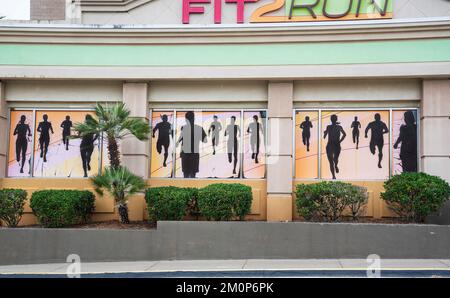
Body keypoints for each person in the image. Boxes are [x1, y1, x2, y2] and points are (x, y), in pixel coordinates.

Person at [176, 111, 207, 178]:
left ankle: (186, 187)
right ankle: (191, 187)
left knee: (186, 174)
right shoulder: (199, 128)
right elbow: (205, 140)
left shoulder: (184, 128)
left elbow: (181, 140)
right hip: (194, 154)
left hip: (185, 154)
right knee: (192, 175)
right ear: (194, 118)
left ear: (186, 119)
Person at [324, 114, 346, 180]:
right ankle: (333, 176)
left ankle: (336, 165)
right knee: (331, 161)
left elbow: (344, 134)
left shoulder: (337, 127)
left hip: (335, 145)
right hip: (331, 145)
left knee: (334, 160)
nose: (333, 119)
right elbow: (344, 134)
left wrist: (340, 141)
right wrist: (325, 133)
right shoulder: (330, 127)